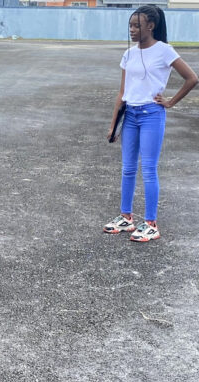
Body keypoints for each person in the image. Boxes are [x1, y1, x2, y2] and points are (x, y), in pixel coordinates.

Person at [104, 5, 198, 242]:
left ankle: (150, 223)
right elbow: (122, 92)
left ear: (151, 26)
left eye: (137, 26)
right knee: (127, 168)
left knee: (148, 169)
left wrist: (170, 102)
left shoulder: (164, 51)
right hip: (131, 116)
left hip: (151, 116)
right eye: (130, 26)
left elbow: (192, 78)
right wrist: (113, 124)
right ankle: (126, 217)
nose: (132, 30)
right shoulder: (129, 54)